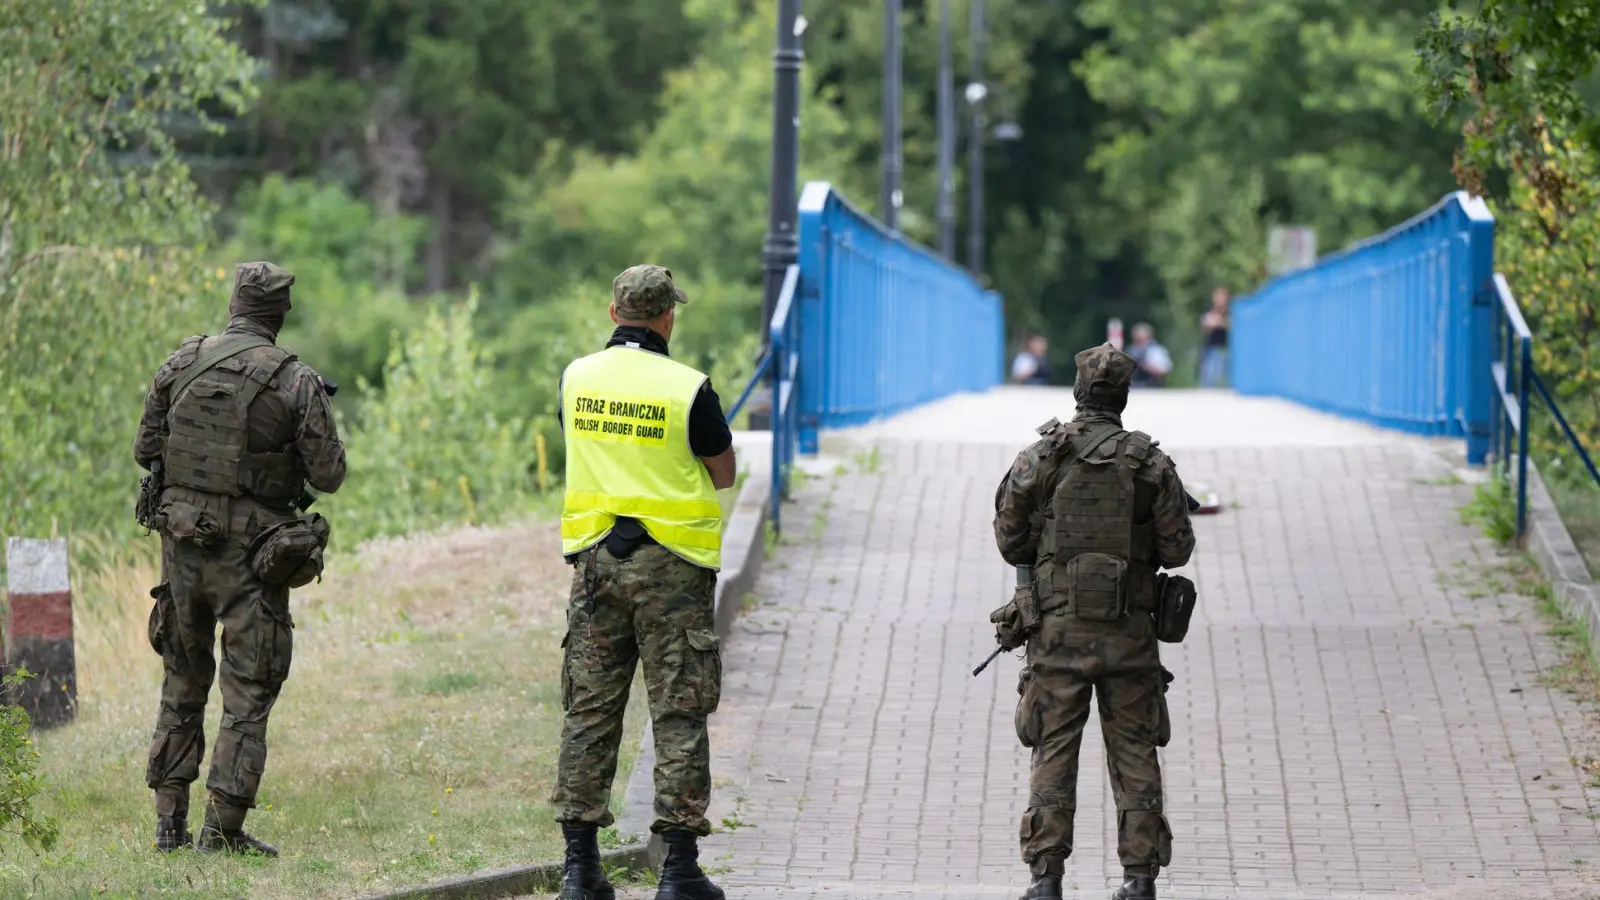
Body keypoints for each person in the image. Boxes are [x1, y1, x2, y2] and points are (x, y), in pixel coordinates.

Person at [133, 262, 347, 856]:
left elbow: (145, 449)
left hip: (181, 547)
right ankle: (222, 832)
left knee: (182, 678)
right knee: (249, 690)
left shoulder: (181, 362)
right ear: (280, 314)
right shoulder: (295, 381)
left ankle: (168, 826)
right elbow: (329, 475)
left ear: (234, 305)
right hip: (251, 555)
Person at [551, 265, 737, 900]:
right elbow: (722, 473)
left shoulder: (576, 377)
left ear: (614, 313)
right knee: (679, 710)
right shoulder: (689, 388)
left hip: (596, 561)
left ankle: (580, 870)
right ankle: (679, 871)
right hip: (673, 567)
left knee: (589, 710)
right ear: (667, 316)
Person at [991, 343, 1197, 900]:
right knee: (1135, 751)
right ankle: (1139, 878)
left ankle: (1046, 878)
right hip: (1130, 635)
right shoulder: (1150, 464)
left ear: (1079, 391)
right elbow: (1177, 550)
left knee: (1054, 749)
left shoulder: (1041, 457)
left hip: (1058, 633)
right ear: (1124, 397)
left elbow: (1011, 543)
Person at [1198, 288, 1229, 387]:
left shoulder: (1230, 311)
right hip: (1211, 348)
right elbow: (1205, 326)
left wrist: (1220, 322)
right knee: (1208, 378)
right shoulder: (1209, 310)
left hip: (1226, 349)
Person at [1126, 323, 1172, 388]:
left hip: (1151, 387)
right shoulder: (1131, 350)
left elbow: (1165, 370)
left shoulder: (1155, 350)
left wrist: (1147, 367)